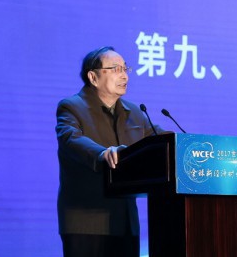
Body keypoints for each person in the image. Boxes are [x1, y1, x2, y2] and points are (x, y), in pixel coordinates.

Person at [56, 46, 161, 257]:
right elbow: (71, 139)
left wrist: (192, 146)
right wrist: (102, 153)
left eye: (125, 69)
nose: (124, 76)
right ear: (93, 77)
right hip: (87, 221)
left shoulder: (134, 112)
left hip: (124, 222)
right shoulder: (71, 107)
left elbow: (160, 139)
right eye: (115, 69)